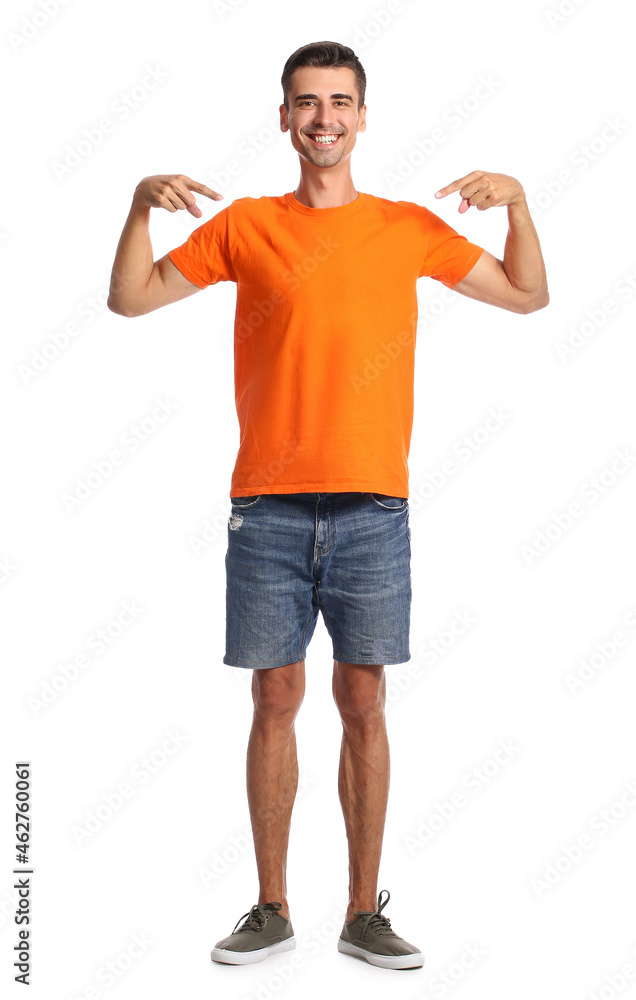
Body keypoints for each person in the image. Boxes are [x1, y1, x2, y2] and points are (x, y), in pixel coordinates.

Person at [107, 40, 549, 971]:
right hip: (266, 507)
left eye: (340, 101)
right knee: (274, 697)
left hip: (373, 511)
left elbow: (527, 294)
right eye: (306, 103)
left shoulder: (404, 228)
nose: (323, 118)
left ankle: (360, 911)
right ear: (284, 118)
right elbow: (130, 297)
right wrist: (139, 207)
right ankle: (270, 906)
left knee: (365, 699)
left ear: (362, 116)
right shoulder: (246, 228)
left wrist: (520, 205)